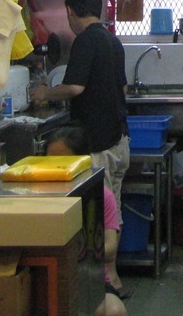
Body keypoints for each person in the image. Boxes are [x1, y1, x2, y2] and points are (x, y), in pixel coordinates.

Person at [32, 0, 131, 228]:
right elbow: (124, 89)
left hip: (98, 145)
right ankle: (111, 267)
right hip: (119, 141)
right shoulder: (112, 40)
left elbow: (75, 87)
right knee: (112, 212)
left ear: (71, 11)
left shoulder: (85, 40)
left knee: (97, 216)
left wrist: (45, 92)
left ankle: (99, 265)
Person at [46, 125, 127, 309]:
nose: (57, 169)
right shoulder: (39, 196)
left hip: (92, 279)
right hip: (50, 277)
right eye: (50, 162)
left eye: (65, 163)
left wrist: (77, 255)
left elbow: (111, 246)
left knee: (114, 311)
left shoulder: (100, 195)